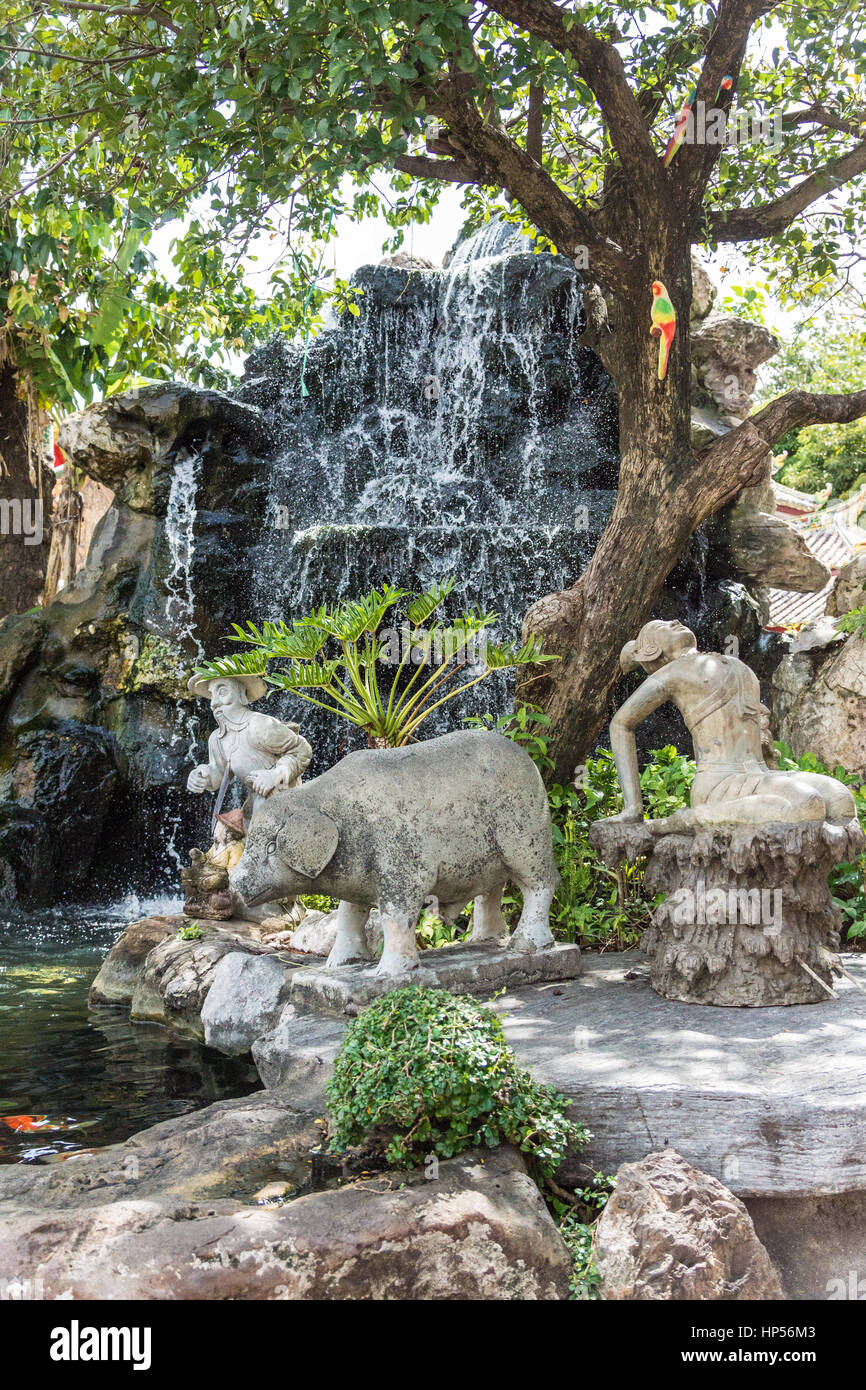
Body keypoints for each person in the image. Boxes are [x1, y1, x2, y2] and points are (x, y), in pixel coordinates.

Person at [607, 619, 855, 832]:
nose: (673, 622)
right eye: (661, 626)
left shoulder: (733, 664)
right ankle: (686, 820)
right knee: (806, 804)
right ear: (652, 649)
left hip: (758, 775)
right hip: (720, 785)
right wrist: (633, 808)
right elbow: (620, 725)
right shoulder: (671, 673)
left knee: (840, 797)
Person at [186, 672, 312, 826]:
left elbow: (301, 749)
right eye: (212, 695)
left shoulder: (258, 726)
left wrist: (276, 774)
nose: (214, 703)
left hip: (283, 803)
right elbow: (218, 771)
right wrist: (203, 775)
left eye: (223, 691)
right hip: (254, 805)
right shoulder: (217, 739)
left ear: (241, 694)